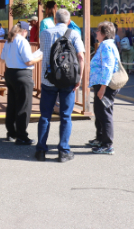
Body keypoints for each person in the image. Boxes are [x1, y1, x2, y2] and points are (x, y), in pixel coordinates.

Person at [35, 9, 85, 162]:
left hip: (48, 80)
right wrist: (79, 79)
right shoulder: (75, 34)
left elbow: (43, 52)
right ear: (68, 21)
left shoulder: (45, 33)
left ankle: (41, 151)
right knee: (65, 116)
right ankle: (63, 152)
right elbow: (81, 57)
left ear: (55, 20)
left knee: (45, 116)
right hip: (68, 81)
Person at [0, 25, 42, 145]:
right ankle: (22, 136)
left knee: (12, 104)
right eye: (27, 31)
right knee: (24, 105)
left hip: (10, 73)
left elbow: (2, 59)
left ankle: (11, 132)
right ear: (24, 31)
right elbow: (28, 61)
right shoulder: (23, 41)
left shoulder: (9, 41)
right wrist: (39, 57)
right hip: (23, 75)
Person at [88, 21, 120, 154]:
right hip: (101, 84)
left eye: (98, 30)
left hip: (104, 86)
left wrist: (102, 88)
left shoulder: (106, 46)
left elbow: (107, 68)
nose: (95, 32)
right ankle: (102, 139)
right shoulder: (106, 45)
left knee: (105, 114)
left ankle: (107, 144)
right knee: (100, 112)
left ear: (104, 33)